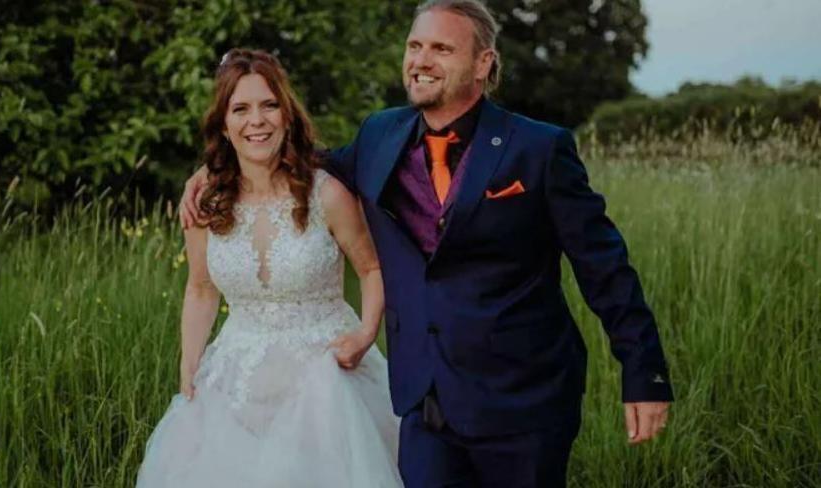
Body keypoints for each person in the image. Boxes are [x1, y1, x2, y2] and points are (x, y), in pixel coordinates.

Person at [181, 1, 675, 486]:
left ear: (484, 63)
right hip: (423, 402)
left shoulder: (539, 149)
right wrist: (214, 170)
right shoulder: (380, 134)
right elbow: (297, 155)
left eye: (441, 48)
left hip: (522, 402)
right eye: (415, 46)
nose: (420, 60)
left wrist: (644, 371)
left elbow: (604, 267)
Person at [137, 48, 402, 487]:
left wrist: (365, 333)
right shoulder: (206, 202)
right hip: (236, 383)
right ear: (224, 124)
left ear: (287, 114)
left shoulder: (327, 194)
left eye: (269, 105)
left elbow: (372, 268)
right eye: (240, 109)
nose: (256, 121)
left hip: (327, 385)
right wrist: (190, 362)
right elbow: (201, 289)